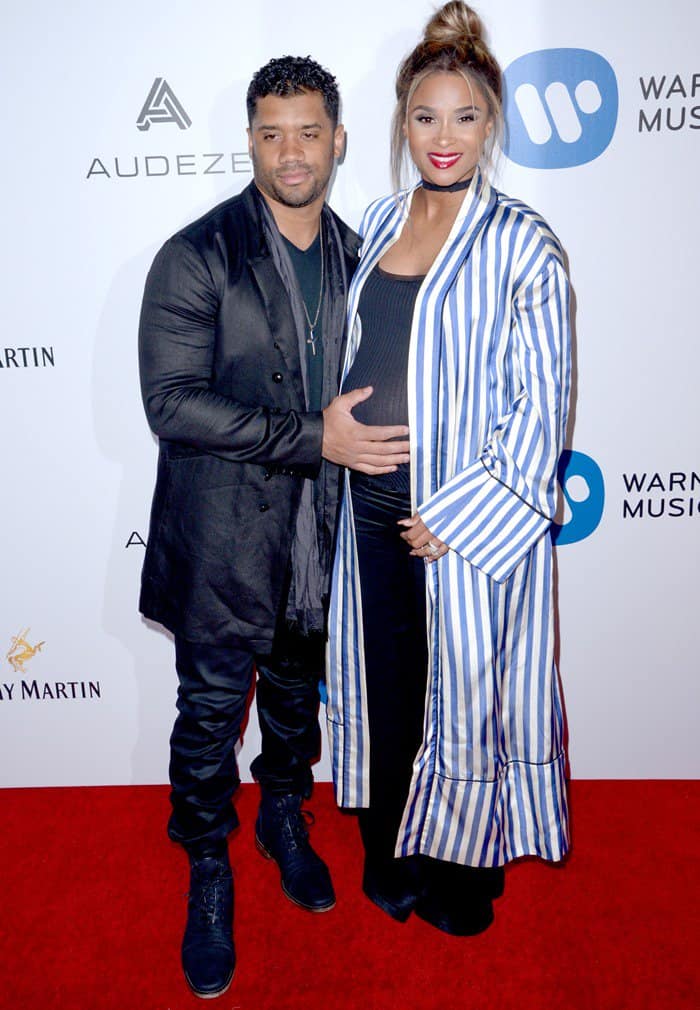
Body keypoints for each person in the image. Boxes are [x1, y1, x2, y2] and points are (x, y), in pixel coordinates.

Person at [138, 56, 409, 998]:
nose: (290, 153)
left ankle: (283, 814)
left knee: (296, 700)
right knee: (210, 716)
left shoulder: (362, 255)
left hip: (318, 538)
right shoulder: (197, 253)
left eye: (307, 133)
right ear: (249, 140)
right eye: (269, 133)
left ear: (337, 140)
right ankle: (208, 866)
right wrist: (312, 436)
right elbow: (171, 403)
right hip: (219, 538)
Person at [326, 1, 572, 936]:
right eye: (425, 116)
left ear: (491, 125)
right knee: (389, 687)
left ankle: (465, 872)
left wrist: (464, 511)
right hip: (366, 504)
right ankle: (391, 847)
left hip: (458, 521)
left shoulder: (523, 244)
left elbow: (540, 406)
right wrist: (327, 433)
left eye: (464, 117)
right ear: (401, 123)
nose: (443, 136)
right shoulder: (379, 218)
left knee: (463, 691)